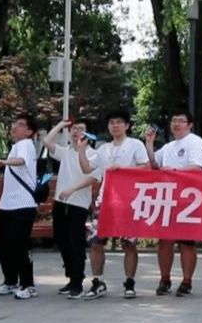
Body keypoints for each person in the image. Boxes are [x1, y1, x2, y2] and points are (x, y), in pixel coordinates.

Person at [58, 110, 149, 299]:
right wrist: (81, 150)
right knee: (96, 242)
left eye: (119, 122)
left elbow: (146, 168)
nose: (115, 126)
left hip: (129, 201)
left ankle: (129, 282)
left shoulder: (135, 145)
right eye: (111, 123)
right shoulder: (103, 149)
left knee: (129, 244)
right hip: (105, 200)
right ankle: (97, 282)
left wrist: (123, 169)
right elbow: (87, 168)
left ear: (127, 126)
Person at [145, 110, 202, 297]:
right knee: (164, 241)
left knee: (186, 242)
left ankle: (187, 281)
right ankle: (164, 279)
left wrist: (174, 170)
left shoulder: (196, 142)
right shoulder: (168, 146)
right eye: (174, 120)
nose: (176, 124)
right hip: (166, 197)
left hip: (188, 199)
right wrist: (149, 143)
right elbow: (154, 164)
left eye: (181, 121)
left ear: (190, 124)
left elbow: (198, 167)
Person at [42, 118, 99, 299]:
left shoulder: (93, 154)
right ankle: (71, 277)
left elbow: (92, 177)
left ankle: (77, 283)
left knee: (76, 242)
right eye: (73, 129)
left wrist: (72, 189)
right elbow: (46, 142)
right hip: (61, 202)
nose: (76, 132)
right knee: (62, 240)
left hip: (78, 204)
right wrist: (61, 125)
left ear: (88, 134)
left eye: (80, 129)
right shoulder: (66, 151)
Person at [0, 114, 40, 300]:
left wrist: (3, 161)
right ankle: (10, 281)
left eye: (20, 124)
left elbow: (21, 161)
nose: (14, 127)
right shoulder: (16, 146)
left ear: (29, 131)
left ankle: (28, 285)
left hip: (23, 204)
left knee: (20, 245)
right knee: (4, 244)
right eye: (14, 123)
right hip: (7, 205)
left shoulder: (26, 144)